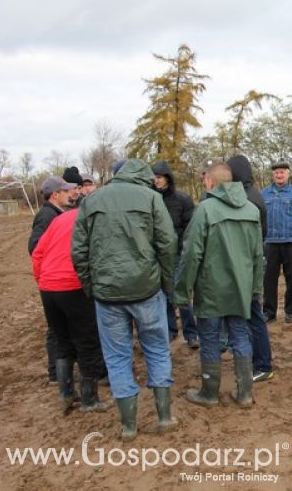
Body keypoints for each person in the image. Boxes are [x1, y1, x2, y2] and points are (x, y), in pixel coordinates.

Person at [71, 159, 178, 441]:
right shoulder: (153, 199)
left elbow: (79, 251)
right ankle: (164, 416)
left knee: (117, 358)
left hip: (108, 295)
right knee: (157, 349)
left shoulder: (91, 201)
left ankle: (129, 426)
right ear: (143, 177)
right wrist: (167, 284)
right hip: (147, 290)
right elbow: (167, 245)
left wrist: (90, 286)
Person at [176, 162, 264, 408]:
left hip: (211, 289)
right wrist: (255, 288)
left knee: (210, 338)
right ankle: (245, 393)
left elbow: (191, 254)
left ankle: (209, 393)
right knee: (240, 335)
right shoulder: (251, 209)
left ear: (211, 182)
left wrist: (183, 291)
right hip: (241, 288)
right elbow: (259, 254)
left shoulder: (204, 210)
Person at [32, 209, 108, 413]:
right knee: (88, 343)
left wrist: (42, 280)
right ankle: (89, 399)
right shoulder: (93, 219)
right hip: (74, 285)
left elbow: (38, 252)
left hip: (48, 287)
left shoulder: (59, 219)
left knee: (62, 340)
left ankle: (66, 393)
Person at [227, 155, 274, 383]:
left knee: (254, 315)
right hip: (252, 262)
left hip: (248, 265)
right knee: (251, 315)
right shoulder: (253, 193)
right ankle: (257, 361)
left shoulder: (247, 199)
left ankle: (263, 364)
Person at [28, 176, 78, 383]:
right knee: (57, 332)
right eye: (66, 191)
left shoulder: (56, 213)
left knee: (61, 330)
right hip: (56, 281)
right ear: (55, 194)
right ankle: (55, 374)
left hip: (52, 280)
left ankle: (60, 375)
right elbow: (35, 246)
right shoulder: (47, 216)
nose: (70, 194)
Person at [151, 160, 198, 347]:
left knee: (181, 294)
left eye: (160, 177)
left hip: (177, 253)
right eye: (154, 178)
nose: (157, 181)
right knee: (163, 294)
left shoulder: (182, 199)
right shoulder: (149, 198)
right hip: (156, 255)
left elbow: (189, 227)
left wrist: (185, 249)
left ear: (167, 178)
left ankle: (191, 332)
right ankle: (171, 330)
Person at [261, 160, 292, 325]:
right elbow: (260, 219)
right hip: (271, 242)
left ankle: (290, 312)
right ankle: (269, 312)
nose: (279, 175)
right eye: (276, 172)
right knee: (269, 279)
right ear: (272, 174)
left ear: (288, 173)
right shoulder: (265, 194)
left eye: (282, 171)